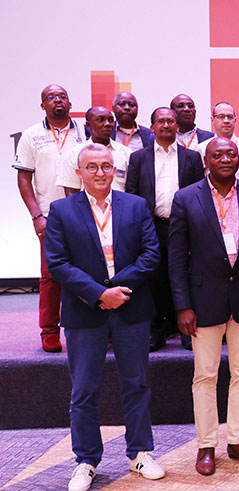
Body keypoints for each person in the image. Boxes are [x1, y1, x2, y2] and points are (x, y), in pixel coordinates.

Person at [44, 143, 164, 491]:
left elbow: (150, 254)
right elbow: (58, 263)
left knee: (136, 384)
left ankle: (140, 452)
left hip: (130, 306)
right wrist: (99, 294)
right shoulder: (61, 210)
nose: (100, 173)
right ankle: (85, 460)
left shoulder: (136, 206)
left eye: (106, 166)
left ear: (115, 170)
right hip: (84, 311)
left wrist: (115, 289)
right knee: (83, 390)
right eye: (92, 167)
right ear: (79, 172)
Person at [169, 138, 239, 476]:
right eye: (218, 154)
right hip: (202, 302)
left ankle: (237, 441)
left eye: (231, 153)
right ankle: (207, 445)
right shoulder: (186, 198)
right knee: (205, 376)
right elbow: (175, 259)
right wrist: (182, 305)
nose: (225, 158)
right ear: (206, 161)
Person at [125, 107, 205, 352]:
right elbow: (132, 194)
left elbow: (199, 195)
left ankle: (187, 331)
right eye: (161, 121)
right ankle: (157, 330)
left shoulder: (191, 157)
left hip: (183, 228)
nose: (167, 125)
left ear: (177, 126)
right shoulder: (139, 158)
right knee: (154, 278)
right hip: (152, 227)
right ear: (153, 128)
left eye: (171, 121)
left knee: (185, 276)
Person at [14, 84, 86, 352]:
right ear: (42, 105)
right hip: (50, 216)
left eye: (63, 97)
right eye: (51, 97)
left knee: (90, 271)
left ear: (70, 103)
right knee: (50, 276)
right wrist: (36, 216)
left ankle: (94, 327)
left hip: (86, 214)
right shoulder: (31, 135)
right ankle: (49, 331)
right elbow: (23, 177)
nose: (58, 100)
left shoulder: (85, 131)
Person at [58, 106, 132, 195]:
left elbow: (132, 191)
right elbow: (71, 193)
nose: (107, 124)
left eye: (111, 120)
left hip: (120, 207)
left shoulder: (127, 153)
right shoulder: (74, 154)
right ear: (88, 125)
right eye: (101, 120)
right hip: (85, 208)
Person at [196, 102, 239, 177]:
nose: (226, 121)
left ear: (235, 120)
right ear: (212, 119)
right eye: (221, 116)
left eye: (230, 117)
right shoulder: (201, 148)